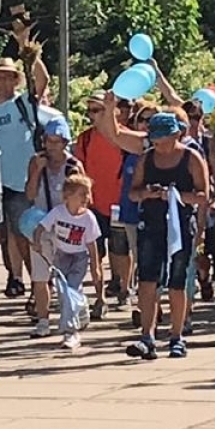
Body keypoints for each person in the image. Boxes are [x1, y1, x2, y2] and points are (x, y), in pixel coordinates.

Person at [126, 112, 208, 360]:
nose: (158, 144)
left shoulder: (191, 158)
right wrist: (149, 193)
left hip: (180, 226)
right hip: (151, 224)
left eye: (162, 139)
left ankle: (177, 335)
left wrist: (177, 196)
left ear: (176, 135)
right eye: (155, 139)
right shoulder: (146, 159)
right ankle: (147, 336)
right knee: (148, 279)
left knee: (177, 281)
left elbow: (205, 196)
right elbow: (133, 193)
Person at [0, 55, 54, 302]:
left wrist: (30, 51)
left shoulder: (24, 104)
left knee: (26, 237)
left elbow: (42, 80)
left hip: (22, 182)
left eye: (9, 75)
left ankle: (40, 289)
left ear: (15, 80)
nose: (3, 80)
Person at [24, 118, 82, 338]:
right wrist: (38, 171)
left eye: (57, 141)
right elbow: (29, 194)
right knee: (40, 275)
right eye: (49, 141)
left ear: (65, 142)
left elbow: (84, 197)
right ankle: (43, 320)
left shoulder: (73, 165)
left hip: (67, 227)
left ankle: (70, 319)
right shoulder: (36, 162)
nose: (52, 146)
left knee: (66, 277)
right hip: (40, 223)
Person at [34, 173, 102, 350]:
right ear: (68, 195)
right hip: (61, 256)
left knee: (70, 291)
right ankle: (81, 308)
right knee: (64, 293)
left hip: (79, 258)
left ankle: (71, 332)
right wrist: (36, 242)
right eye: (81, 194)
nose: (85, 198)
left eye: (87, 194)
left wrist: (96, 267)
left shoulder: (88, 218)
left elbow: (92, 244)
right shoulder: (58, 212)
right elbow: (41, 227)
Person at [73, 94, 126, 313]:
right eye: (90, 111)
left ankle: (124, 289)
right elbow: (79, 171)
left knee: (121, 250)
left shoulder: (123, 136)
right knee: (96, 252)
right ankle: (100, 297)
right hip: (94, 205)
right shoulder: (85, 139)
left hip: (121, 202)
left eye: (98, 110)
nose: (93, 116)